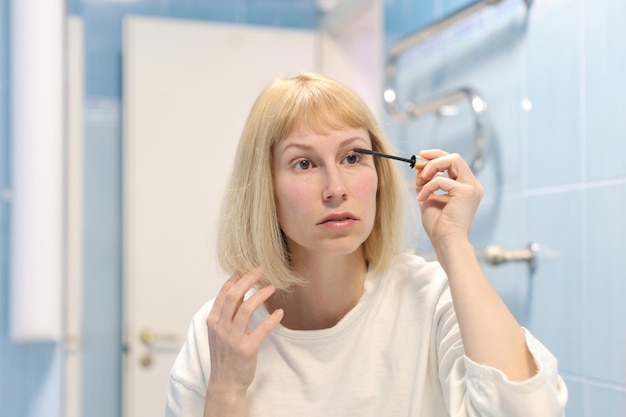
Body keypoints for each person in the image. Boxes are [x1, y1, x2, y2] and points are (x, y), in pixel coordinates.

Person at [166, 73, 568, 417]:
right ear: (264, 188)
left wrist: (454, 245)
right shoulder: (222, 332)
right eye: (304, 163)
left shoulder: (433, 302)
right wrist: (226, 391)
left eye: (353, 157)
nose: (336, 189)